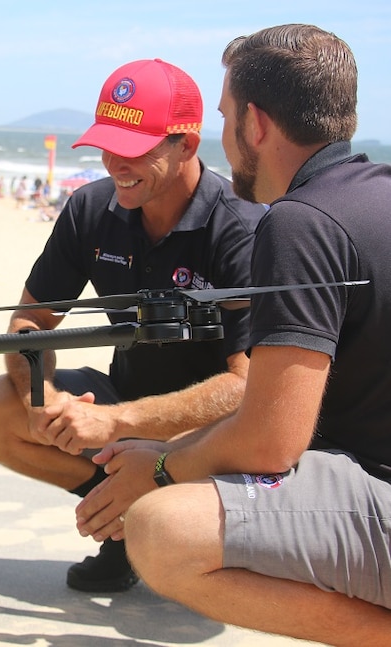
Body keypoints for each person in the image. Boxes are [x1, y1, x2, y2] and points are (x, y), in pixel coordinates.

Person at [83, 25, 391, 644]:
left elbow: (271, 441)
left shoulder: (301, 222)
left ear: (255, 124)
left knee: (162, 529)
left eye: (225, 117)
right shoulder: (377, 195)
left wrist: (165, 469)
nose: (224, 140)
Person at [0, 58, 266, 593]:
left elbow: (249, 389)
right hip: (124, 400)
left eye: (134, 150)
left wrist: (119, 423)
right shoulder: (91, 208)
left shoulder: (240, 228)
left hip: (214, 434)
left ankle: (153, 516)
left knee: (182, 594)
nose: (114, 164)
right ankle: (122, 523)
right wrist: (41, 397)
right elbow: (31, 319)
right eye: (107, 145)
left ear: (187, 146)